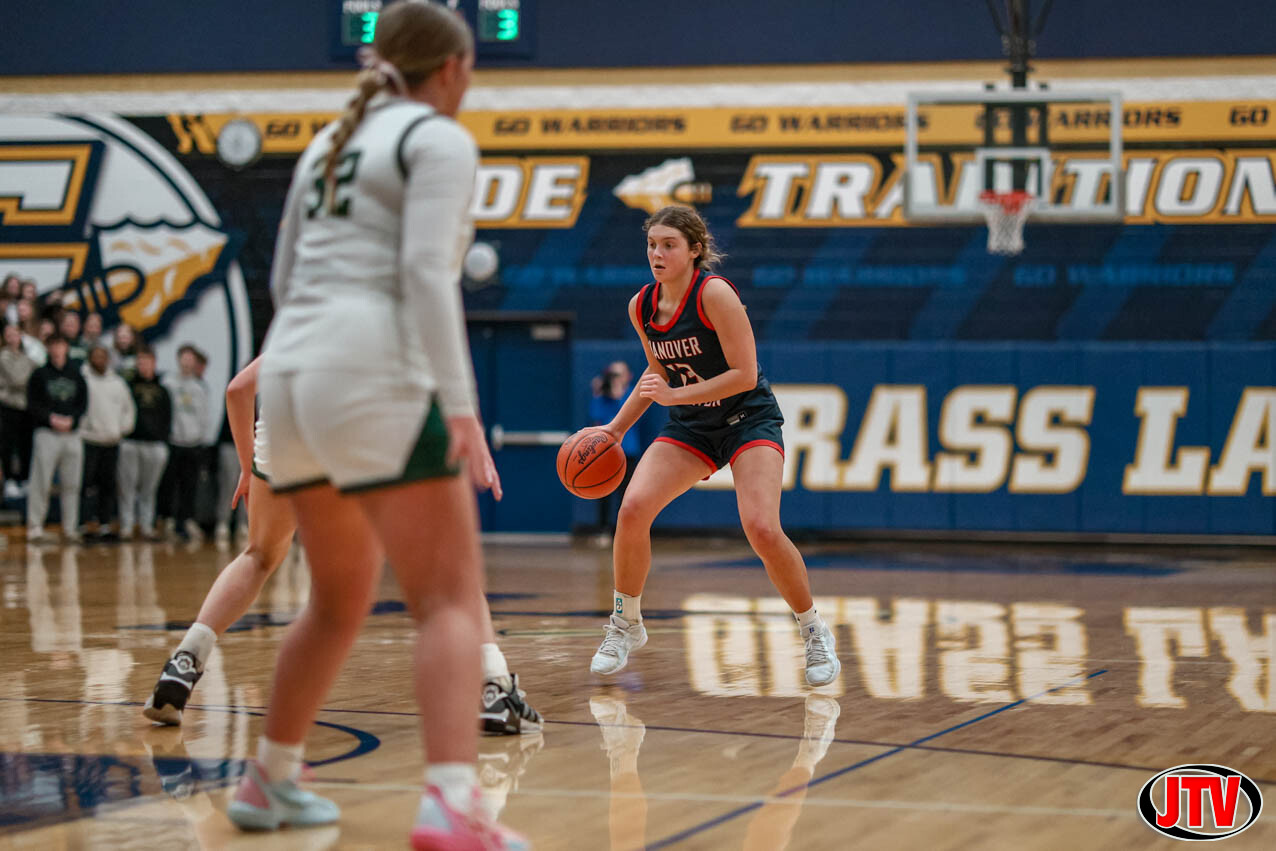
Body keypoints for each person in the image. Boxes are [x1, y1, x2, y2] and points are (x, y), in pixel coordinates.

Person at [228, 5, 529, 846]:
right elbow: (426, 275)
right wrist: (461, 407)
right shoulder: (438, 140)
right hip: (375, 369)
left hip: (293, 376)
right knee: (449, 598)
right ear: (453, 69)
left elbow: (283, 278)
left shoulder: (327, 143)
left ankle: (269, 777)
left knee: (336, 600)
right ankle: (451, 803)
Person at [588, 205, 840, 687]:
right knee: (633, 508)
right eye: (652, 245)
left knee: (762, 527)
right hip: (693, 427)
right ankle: (626, 623)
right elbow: (657, 372)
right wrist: (615, 430)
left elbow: (744, 374)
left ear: (695, 250)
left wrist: (674, 396)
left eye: (669, 245)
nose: (657, 254)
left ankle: (813, 630)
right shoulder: (641, 306)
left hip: (748, 419)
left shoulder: (715, 294)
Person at [25, 335, 88, 544]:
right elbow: (32, 404)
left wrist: (73, 420)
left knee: (72, 484)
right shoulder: (39, 374)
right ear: (48, 348)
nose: (57, 350)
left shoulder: (76, 374)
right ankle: (35, 527)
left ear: (66, 348)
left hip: (72, 434)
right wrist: (50, 418)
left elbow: (83, 404)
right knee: (41, 481)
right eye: (54, 346)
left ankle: (70, 528)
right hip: (47, 433)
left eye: (61, 346)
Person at [78, 344, 136, 539]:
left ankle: (104, 524)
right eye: (96, 356)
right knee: (85, 484)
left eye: (103, 356)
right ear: (90, 358)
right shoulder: (83, 379)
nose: (100, 360)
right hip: (89, 440)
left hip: (112, 441)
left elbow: (129, 409)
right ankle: (82, 524)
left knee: (108, 485)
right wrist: (85, 428)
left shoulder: (117, 383)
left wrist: (121, 429)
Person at [118, 347, 172, 540]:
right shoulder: (128, 386)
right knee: (127, 487)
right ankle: (126, 526)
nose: (143, 366)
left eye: (147, 362)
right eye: (140, 362)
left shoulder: (163, 390)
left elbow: (167, 417)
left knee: (149, 489)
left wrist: (162, 438)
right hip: (131, 442)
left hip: (155, 444)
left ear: (154, 363)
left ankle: (146, 526)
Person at [161, 344, 211, 542]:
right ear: (178, 359)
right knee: (168, 485)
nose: (187, 362)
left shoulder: (200, 387)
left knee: (189, 486)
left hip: (193, 443)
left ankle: (185, 521)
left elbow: (205, 416)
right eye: (184, 358)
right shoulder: (168, 383)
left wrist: (201, 438)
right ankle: (167, 520)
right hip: (173, 442)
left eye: (191, 359)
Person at [589, 360, 640, 542]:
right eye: (613, 374)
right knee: (603, 494)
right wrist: (597, 395)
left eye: (619, 374)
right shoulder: (603, 396)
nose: (615, 378)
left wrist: (619, 396)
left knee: (626, 495)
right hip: (605, 452)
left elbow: (630, 417)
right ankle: (603, 530)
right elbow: (595, 417)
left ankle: (623, 533)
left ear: (628, 376)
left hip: (628, 451)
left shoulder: (633, 393)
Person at [0, 323, 36, 498]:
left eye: (15, 334)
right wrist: (30, 375)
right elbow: (17, 379)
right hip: (8, 405)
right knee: (8, 445)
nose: (12, 338)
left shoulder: (26, 357)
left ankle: (25, 478)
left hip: (25, 407)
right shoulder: (3, 356)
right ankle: (10, 479)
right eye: (8, 334)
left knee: (26, 444)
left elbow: (35, 375)